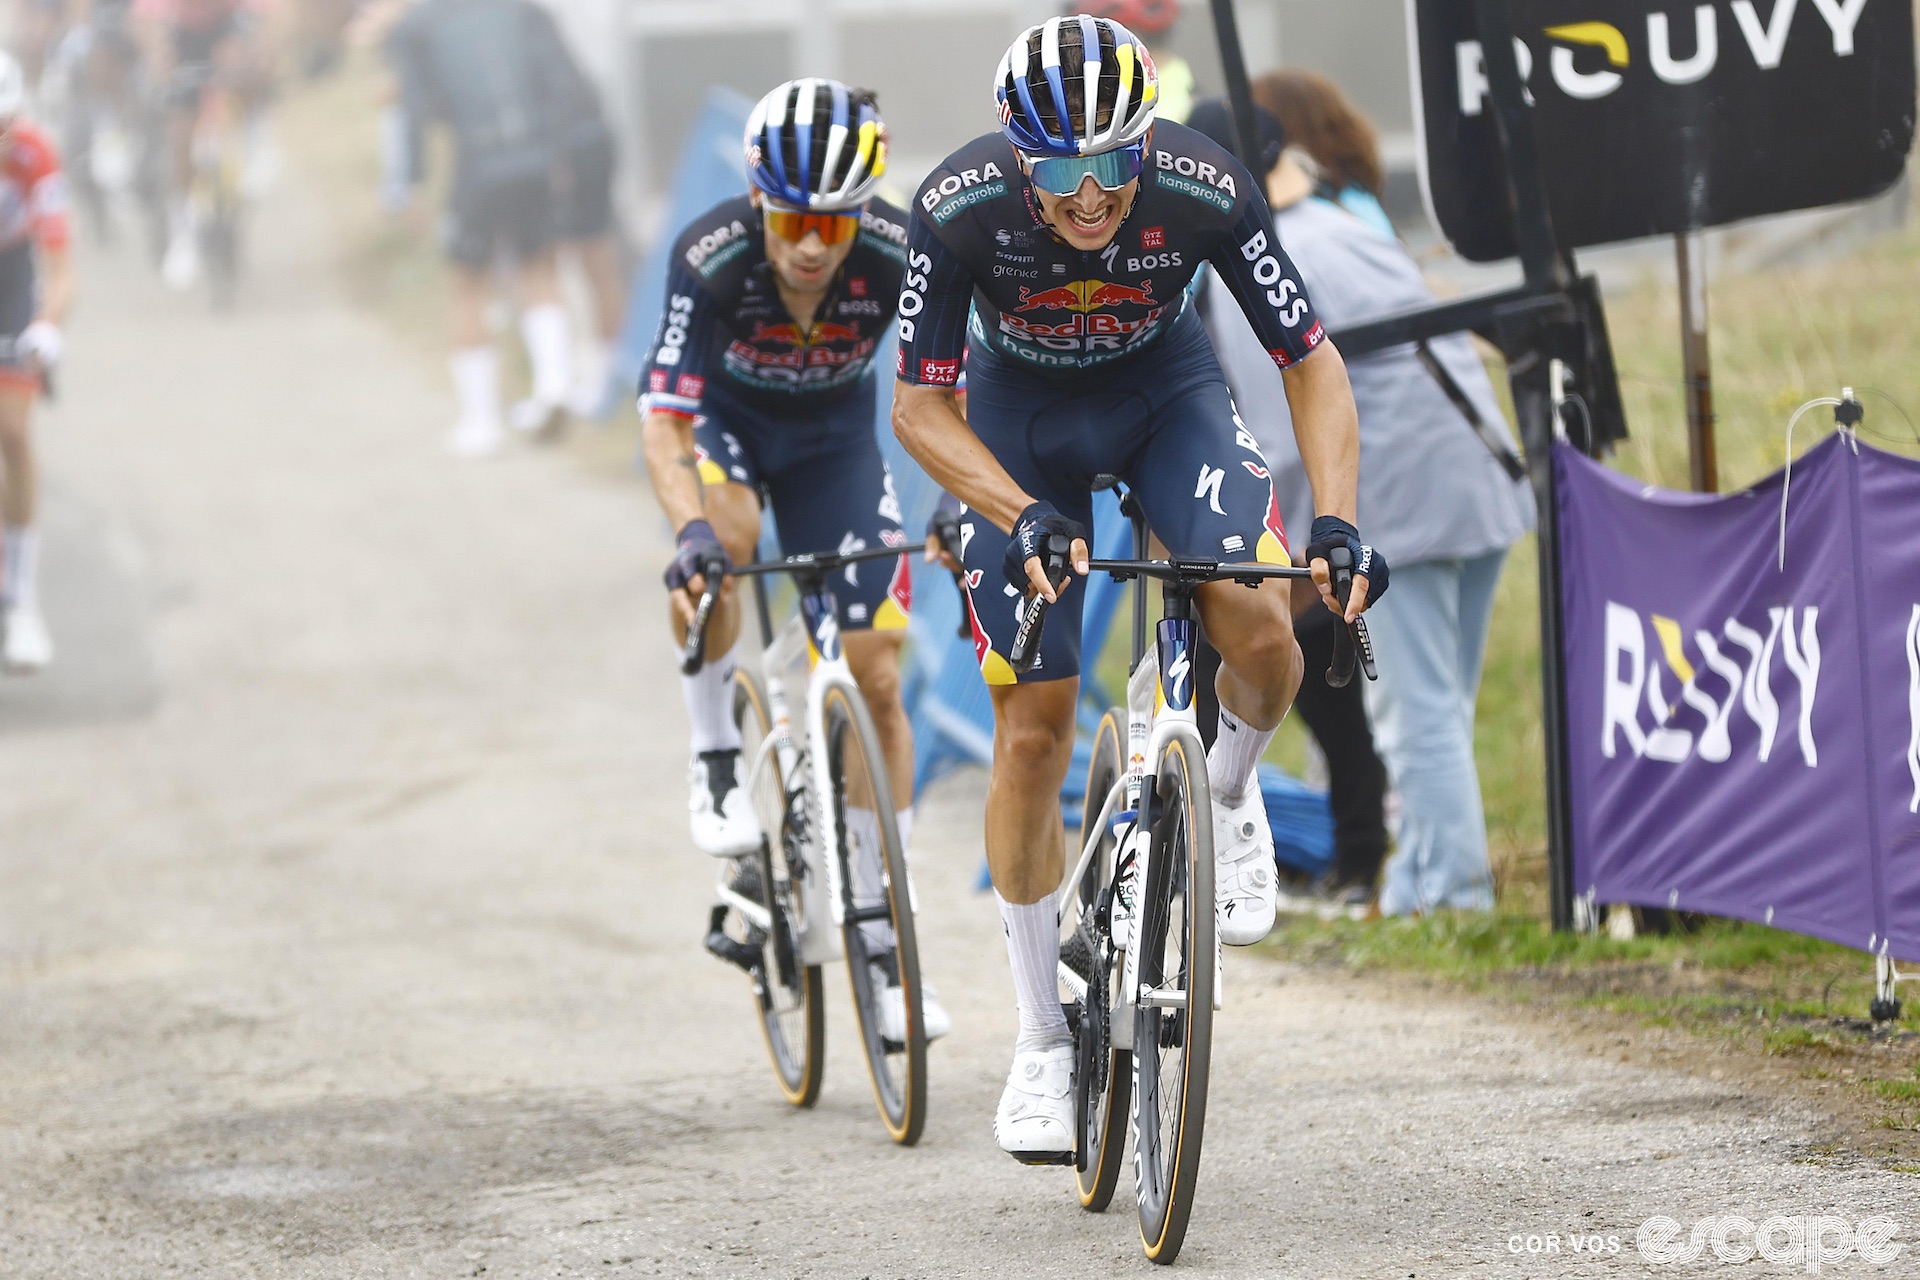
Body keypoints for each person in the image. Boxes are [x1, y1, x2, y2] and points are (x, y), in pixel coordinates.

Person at [891, 15, 1385, 1161]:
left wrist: (1338, 518)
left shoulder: (1203, 183)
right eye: (1065, 170)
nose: (1094, 194)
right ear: (1021, 157)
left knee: (1264, 623)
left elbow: (1307, 358)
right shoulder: (959, 203)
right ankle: (1040, 1036)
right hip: (1017, 425)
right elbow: (920, 403)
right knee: (1031, 734)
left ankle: (1224, 789)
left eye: (1117, 161)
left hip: (1168, 395)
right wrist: (1019, 514)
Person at [638, 78, 947, 1043]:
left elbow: (958, 382)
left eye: (836, 223)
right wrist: (686, 530)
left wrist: (963, 500)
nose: (814, 245)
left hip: (834, 449)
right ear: (761, 202)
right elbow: (664, 419)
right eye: (795, 220)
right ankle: (717, 758)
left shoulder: (899, 252)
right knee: (722, 544)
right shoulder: (712, 255)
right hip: (731, 434)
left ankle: (881, 938)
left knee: (880, 678)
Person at [1200, 73, 1534, 918]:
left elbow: (1273, 439)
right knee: (1442, 707)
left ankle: (1452, 903)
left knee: (1413, 717)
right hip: (1477, 474)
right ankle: (1424, 880)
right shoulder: (1341, 223)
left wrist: (1274, 555)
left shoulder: (1258, 262)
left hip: (1403, 501)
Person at [1185, 97, 1388, 918]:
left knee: (1305, 679)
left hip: (1302, 498)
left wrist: (1306, 542)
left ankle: (1353, 862)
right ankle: (1356, 862)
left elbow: (1282, 419)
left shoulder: (1255, 253)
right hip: (1300, 487)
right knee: (1328, 696)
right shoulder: (1345, 217)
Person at [387, 0, 577, 455]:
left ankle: (481, 420)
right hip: (534, 153)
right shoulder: (523, 10)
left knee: (468, 286)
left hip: (477, 162)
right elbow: (561, 83)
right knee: (540, 269)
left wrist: (410, 182)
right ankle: (554, 384)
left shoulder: (416, 26)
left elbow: (410, 109)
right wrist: (561, 153)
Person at [0, 51, 75, 671]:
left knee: (14, 431)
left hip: (10, 283)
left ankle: (21, 600)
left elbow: (62, 267)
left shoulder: (34, 154)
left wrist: (47, 325)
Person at [133, 0, 272, 288]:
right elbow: (149, 19)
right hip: (181, 38)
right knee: (180, 137)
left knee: (241, 69)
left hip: (227, 31)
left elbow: (262, 16)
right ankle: (182, 233)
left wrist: (259, 54)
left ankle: (256, 144)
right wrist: (156, 57)